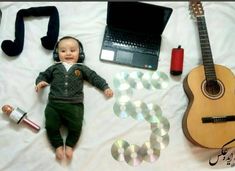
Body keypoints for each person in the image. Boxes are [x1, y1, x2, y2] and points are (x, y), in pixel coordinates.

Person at [35, 36, 113, 161]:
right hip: (54, 104)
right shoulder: (54, 68)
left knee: (76, 126)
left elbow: (94, 77)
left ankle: (70, 145)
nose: (68, 53)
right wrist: (40, 82)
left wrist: (105, 87)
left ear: (80, 54)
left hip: (74, 105)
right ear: (57, 54)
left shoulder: (81, 68)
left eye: (72, 50)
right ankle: (58, 145)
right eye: (63, 51)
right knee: (50, 125)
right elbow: (43, 75)